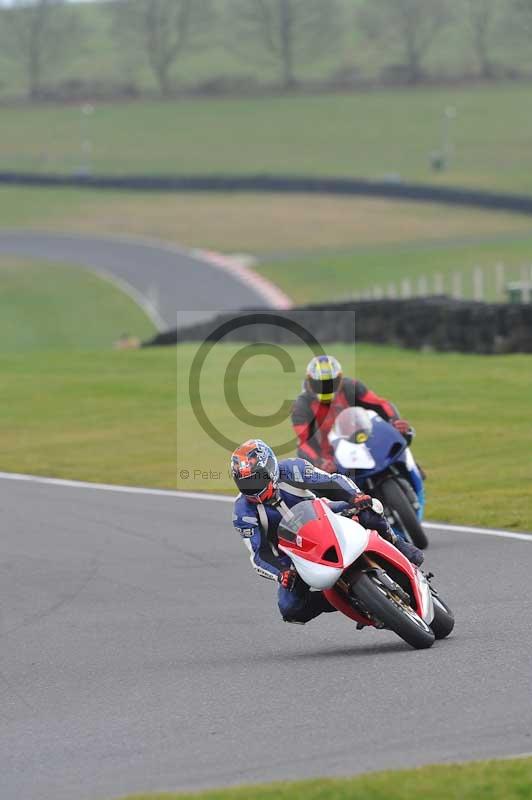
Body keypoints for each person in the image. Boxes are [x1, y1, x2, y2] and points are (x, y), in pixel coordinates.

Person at [231, 439, 423, 625]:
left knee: (368, 510)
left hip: (325, 517)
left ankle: (398, 544)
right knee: (290, 609)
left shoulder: (292, 469)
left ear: (270, 468)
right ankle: (346, 599)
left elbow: (331, 482)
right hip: (293, 555)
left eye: (257, 479)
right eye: (246, 483)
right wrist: (281, 573)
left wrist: (355, 497)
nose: (253, 488)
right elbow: (259, 554)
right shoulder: (243, 513)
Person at [292, 355, 412, 473]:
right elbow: (304, 442)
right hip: (330, 459)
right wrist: (319, 462)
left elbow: (380, 404)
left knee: (403, 437)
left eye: (331, 383)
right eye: (320, 384)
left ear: (340, 379)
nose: (326, 388)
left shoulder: (350, 387)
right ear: (309, 382)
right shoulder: (301, 405)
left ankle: (412, 469)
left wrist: (395, 420)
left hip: (363, 443)